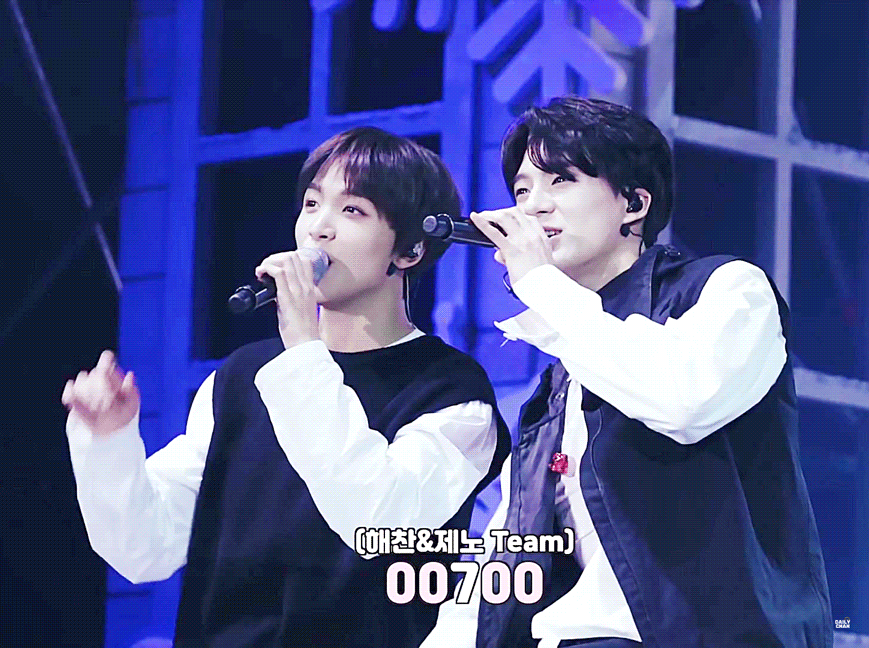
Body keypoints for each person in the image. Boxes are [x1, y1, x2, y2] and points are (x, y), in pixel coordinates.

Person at [62, 127, 510, 648]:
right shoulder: (242, 377)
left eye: (353, 210)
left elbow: (378, 520)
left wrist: (301, 345)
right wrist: (110, 441)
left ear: (410, 250)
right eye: (312, 204)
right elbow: (144, 548)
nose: (319, 228)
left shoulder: (452, 392)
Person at [421, 96, 832, 648]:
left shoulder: (727, 291)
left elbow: (683, 400)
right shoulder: (561, 380)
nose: (532, 208)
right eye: (521, 191)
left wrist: (541, 285)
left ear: (634, 204)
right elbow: (506, 551)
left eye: (561, 180)